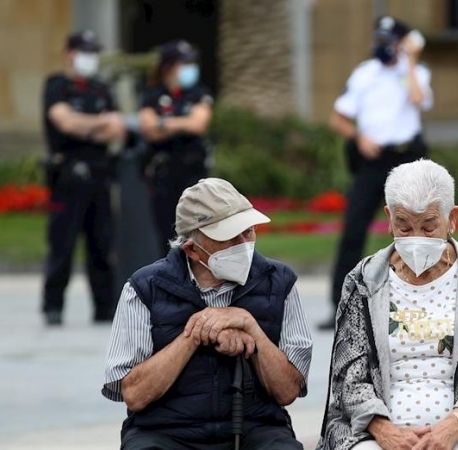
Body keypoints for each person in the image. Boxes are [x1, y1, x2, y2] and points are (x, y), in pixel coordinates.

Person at [318, 160, 458, 450]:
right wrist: (383, 429)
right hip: (374, 430)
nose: (416, 239)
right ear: (389, 218)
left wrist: (457, 423)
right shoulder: (365, 281)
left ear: (451, 218)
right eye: (404, 227)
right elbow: (348, 374)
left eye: (428, 227)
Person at [102, 178, 312, 450]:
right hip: (164, 432)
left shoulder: (280, 282)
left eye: (248, 231)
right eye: (230, 237)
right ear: (191, 249)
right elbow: (134, 395)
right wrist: (194, 334)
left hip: (256, 428)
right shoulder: (144, 288)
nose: (244, 243)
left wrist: (251, 327)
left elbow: (287, 391)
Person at [321, 16, 433, 330]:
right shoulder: (364, 74)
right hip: (372, 161)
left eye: (390, 42)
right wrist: (359, 137)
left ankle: (420, 302)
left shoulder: (416, 73)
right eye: (380, 41)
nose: (383, 47)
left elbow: (419, 99)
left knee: (416, 229)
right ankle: (340, 306)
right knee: (354, 229)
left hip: (407, 159)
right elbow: (338, 118)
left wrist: (411, 59)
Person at [42, 30, 127, 326]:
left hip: (100, 176)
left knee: (102, 245)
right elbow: (63, 121)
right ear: (70, 53)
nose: (90, 59)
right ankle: (53, 307)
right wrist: (98, 124)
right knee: (61, 245)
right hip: (66, 177)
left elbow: (117, 128)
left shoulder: (102, 89)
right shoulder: (57, 86)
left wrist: (85, 126)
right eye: (85, 52)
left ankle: (104, 308)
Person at [139, 39, 214, 255]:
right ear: (169, 67)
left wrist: (165, 123)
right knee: (167, 237)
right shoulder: (152, 95)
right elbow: (148, 127)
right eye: (185, 63)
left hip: (192, 173)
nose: (191, 68)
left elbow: (198, 124)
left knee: (196, 236)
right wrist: (182, 122)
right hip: (163, 175)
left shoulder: (198, 93)